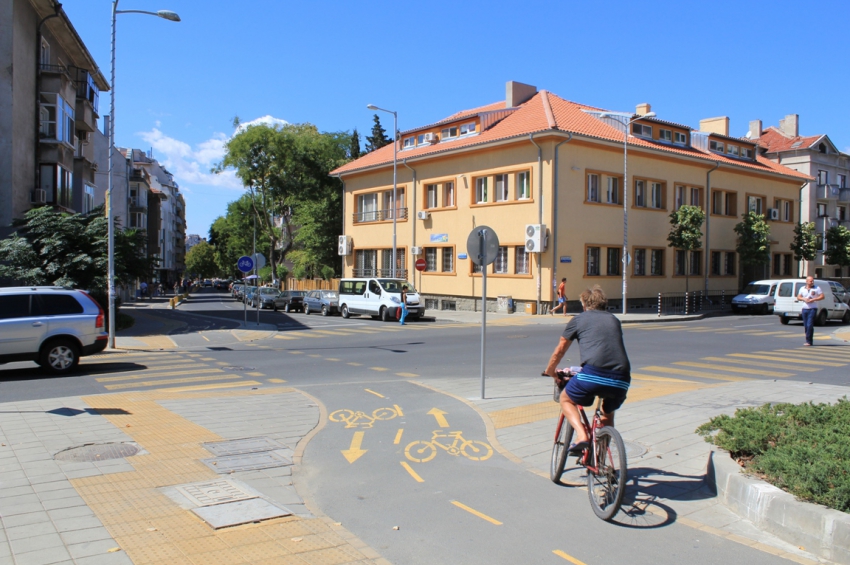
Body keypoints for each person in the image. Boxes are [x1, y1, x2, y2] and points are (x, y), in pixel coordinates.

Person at [544, 285, 631, 454]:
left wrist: (550, 371)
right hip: (622, 378)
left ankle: (582, 435)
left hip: (593, 374)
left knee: (565, 399)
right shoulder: (614, 320)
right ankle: (601, 458)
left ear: (584, 304)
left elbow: (560, 350)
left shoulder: (579, 320)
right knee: (608, 413)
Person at [798, 276, 824, 346]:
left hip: (813, 309)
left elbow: (822, 296)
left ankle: (809, 341)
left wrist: (814, 299)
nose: (812, 282)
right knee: (806, 326)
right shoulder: (802, 288)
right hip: (804, 309)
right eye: (810, 281)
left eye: (813, 281)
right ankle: (808, 340)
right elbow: (798, 297)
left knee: (810, 325)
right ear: (806, 281)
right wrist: (804, 299)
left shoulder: (817, 288)